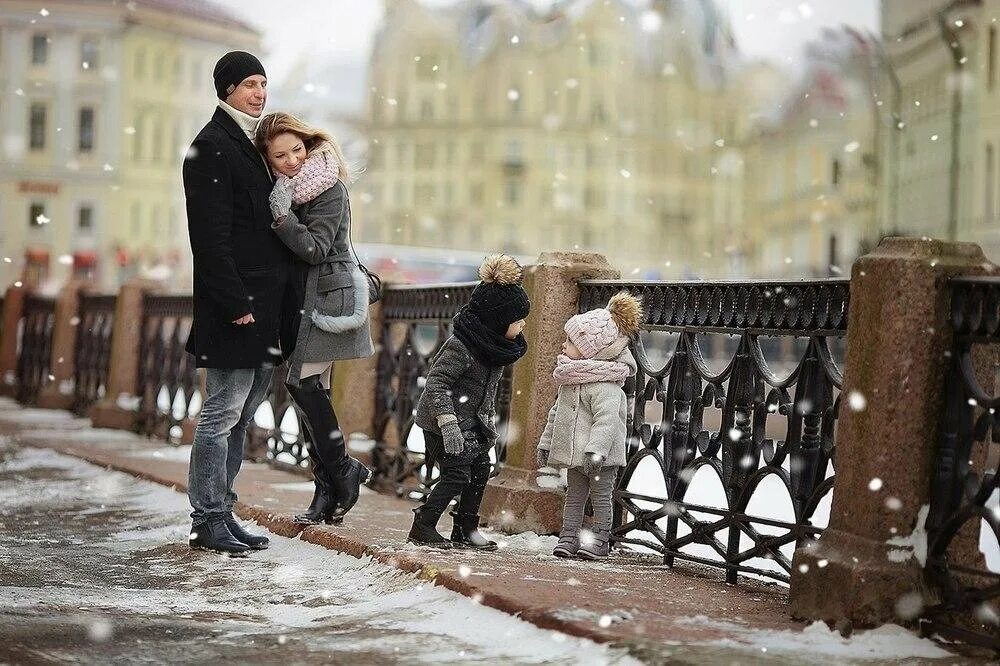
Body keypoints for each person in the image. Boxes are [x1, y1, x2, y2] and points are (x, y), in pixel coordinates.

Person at [183, 51, 291, 556]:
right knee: (221, 413)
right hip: (237, 306)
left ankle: (222, 511)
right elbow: (210, 239)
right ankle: (206, 518)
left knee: (243, 413)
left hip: (264, 307)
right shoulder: (211, 146)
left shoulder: (251, 143)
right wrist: (234, 302)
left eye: (263, 83)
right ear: (225, 88)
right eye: (249, 83)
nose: (259, 92)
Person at [257, 112, 375, 525]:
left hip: (331, 298)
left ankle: (344, 471)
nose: (292, 161)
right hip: (309, 300)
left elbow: (316, 249)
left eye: (297, 150)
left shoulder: (327, 187)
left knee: (301, 383)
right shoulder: (291, 190)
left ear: (309, 144)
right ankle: (327, 490)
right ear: (268, 160)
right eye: (280, 156)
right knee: (313, 392)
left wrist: (281, 219)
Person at [408, 255, 530, 549]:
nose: (523, 324)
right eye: (517, 320)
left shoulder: (493, 347)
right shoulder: (461, 347)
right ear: (498, 322)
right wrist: (449, 426)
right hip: (441, 422)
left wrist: (483, 423)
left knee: (479, 469)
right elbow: (436, 385)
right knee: (456, 474)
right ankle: (422, 526)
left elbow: (484, 392)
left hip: (470, 423)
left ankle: (465, 528)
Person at [536, 292, 641, 559]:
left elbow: (606, 423)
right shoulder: (572, 379)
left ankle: (600, 541)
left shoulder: (606, 386)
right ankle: (568, 538)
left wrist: (596, 451)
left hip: (600, 458)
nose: (563, 345)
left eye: (570, 341)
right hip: (575, 456)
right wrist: (546, 444)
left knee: (600, 498)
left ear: (590, 350)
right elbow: (555, 414)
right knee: (574, 497)